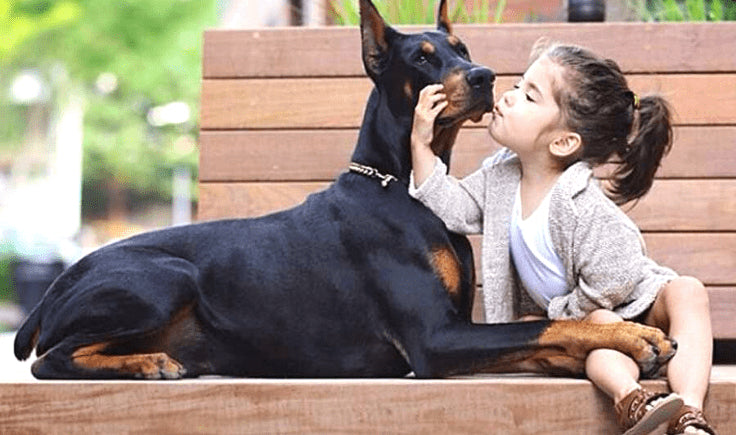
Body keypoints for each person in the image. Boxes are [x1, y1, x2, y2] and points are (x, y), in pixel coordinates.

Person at [409, 39, 715, 435]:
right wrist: (421, 144)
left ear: (563, 142)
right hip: (596, 322)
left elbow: (618, 277)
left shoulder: (580, 202)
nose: (509, 96)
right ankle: (633, 402)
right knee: (601, 327)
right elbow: (454, 207)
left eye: (529, 95)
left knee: (687, 290)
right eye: (519, 84)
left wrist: (558, 315)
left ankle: (688, 414)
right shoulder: (500, 179)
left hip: (636, 303)